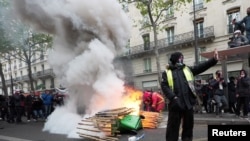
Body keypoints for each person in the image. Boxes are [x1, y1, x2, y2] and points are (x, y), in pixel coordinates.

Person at [161, 49, 219, 141]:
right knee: (173, 128)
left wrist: (213, 60)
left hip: (188, 103)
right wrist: (173, 97)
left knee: (188, 127)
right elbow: (164, 86)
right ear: (176, 59)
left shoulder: (187, 69)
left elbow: (200, 67)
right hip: (176, 104)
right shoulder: (167, 72)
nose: (182, 59)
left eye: (182, 57)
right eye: (180, 57)